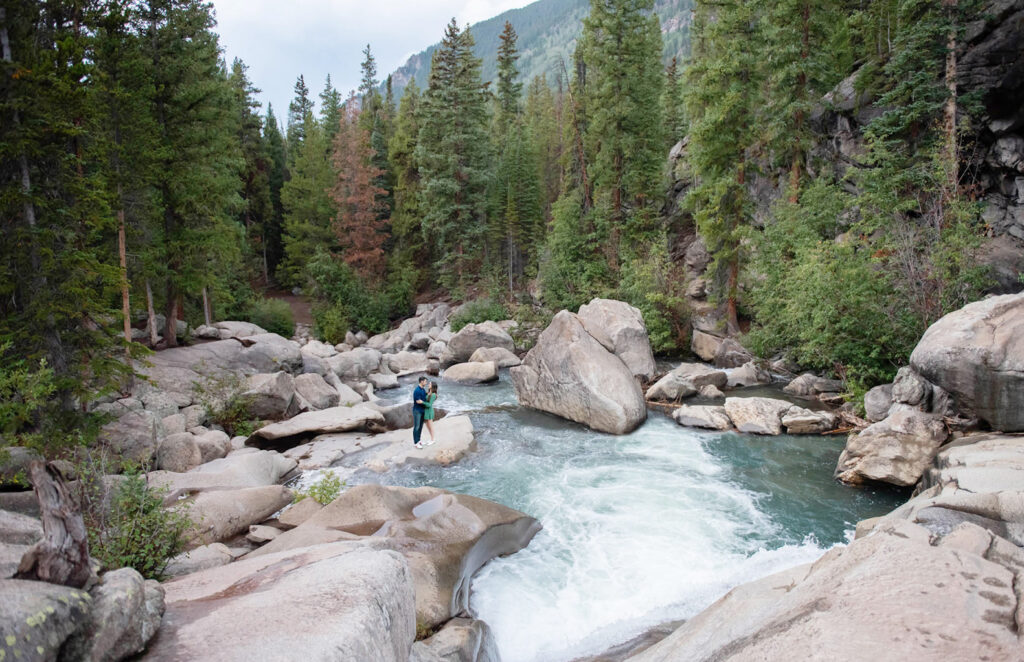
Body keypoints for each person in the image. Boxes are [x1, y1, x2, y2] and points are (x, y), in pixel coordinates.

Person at [411, 376, 434, 449]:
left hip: (422, 411)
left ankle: (419, 441)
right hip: (417, 411)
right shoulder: (417, 390)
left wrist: (430, 391)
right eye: (425, 381)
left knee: (420, 426)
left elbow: (424, 398)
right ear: (421, 381)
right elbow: (418, 401)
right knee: (417, 427)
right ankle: (416, 443)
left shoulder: (423, 389)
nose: (426, 382)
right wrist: (424, 402)